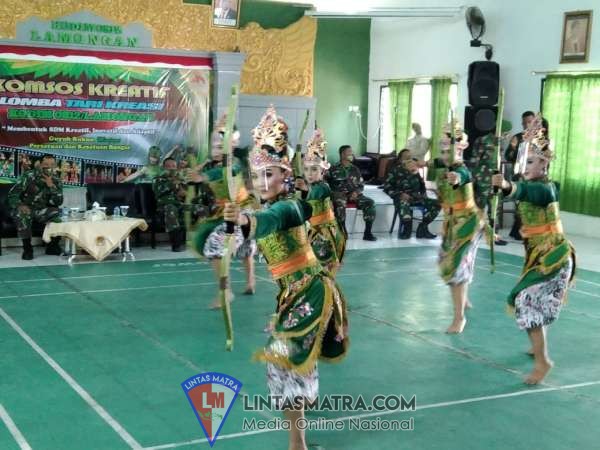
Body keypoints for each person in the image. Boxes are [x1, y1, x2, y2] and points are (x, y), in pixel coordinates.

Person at [223, 106, 348, 450]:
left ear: (286, 174)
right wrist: (234, 223)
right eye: (258, 175)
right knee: (286, 365)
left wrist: (245, 221)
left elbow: (269, 221)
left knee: (283, 358)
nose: (264, 182)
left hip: (311, 291)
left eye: (271, 174)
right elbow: (247, 233)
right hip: (290, 295)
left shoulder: (290, 206)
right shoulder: (264, 206)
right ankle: (300, 432)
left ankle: (298, 442)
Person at [491, 114, 575, 384]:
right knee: (533, 304)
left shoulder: (545, 189)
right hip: (541, 256)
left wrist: (506, 185)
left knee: (525, 300)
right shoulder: (531, 183)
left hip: (554, 257)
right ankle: (537, 347)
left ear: (544, 163)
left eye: (530, 161)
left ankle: (543, 361)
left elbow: (524, 191)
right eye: (522, 160)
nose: (523, 166)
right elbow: (519, 188)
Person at [188, 115, 258, 308]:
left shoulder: (233, 164)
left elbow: (222, 173)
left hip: (241, 212)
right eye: (214, 145)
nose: (216, 149)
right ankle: (251, 282)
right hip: (232, 211)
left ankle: (225, 291)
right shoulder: (215, 164)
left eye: (220, 145)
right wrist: (196, 173)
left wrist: (201, 177)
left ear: (231, 145)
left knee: (215, 248)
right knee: (245, 248)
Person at [434, 123, 486, 334]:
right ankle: (463, 299)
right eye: (442, 149)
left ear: (460, 149)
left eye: (449, 149)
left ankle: (459, 318)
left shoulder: (461, 171)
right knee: (447, 262)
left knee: (456, 268)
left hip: (468, 225)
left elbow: (460, 178)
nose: (445, 153)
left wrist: (456, 179)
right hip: (453, 222)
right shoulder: (445, 169)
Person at [294, 129, 346, 275]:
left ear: (323, 172)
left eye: (314, 169)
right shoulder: (305, 186)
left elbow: (313, 193)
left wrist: (303, 189)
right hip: (309, 230)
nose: (309, 173)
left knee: (326, 265)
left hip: (324, 232)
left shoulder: (323, 187)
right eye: (306, 169)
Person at [8, 154, 63, 260]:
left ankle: (52, 246)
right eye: (46, 164)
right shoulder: (29, 176)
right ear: (40, 164)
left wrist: (51, 186)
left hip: (42, 210)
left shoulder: (56, 179)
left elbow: (58, 202)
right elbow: (13, 194)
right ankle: (27, 249)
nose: (49, 167)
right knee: (23, 214)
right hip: (26, 208)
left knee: (57, 215)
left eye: (52, 164)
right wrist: (20, 205)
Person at [384, 149, 440, 239]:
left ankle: (423, 227)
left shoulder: (414, 170)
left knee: (438, 204)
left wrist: (424, 194)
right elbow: (387, 187)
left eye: (410, 157)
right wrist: (400, 194)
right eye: (406, 158)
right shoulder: (395, 171)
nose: (409, 160)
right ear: (400, 159)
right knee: (404, 204)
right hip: (401, 198)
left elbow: (422, 184)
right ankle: (407, 230)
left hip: (416, 197)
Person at [325, 145, 377, 241]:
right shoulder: (333, 169)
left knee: (370, 203)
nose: (351, 154)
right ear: (342, 154)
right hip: (339, 195)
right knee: (340, 203)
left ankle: (367, 233)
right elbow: (327, 185)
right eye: (349, 152)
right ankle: (342, 231)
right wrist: (334, 193)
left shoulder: (355, 169)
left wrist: (356, 192)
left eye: (351, 152)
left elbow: (361, 184)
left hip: (354, 194)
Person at [469, 131, 508, 246]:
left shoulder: (500, 141)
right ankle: (470, 236)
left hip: (495, 178)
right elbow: (474, 160)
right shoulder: (482, 140)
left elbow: (499, 159)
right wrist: (473, 180)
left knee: (495, 208)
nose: (506, 134)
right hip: (482, 178)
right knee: (478, 208)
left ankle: (494, 236)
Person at [504, 111, 536, 240]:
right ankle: (518, 232)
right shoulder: (517, 137)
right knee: (521, 205)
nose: (527, 125)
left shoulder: (540, 139)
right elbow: (508, 156)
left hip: (535, 176)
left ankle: (529, 231)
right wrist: (512, 147)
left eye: (529, 122)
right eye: (524, 122)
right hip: (520, 176)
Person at [153, 157, 190, 252]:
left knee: (200, 208)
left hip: (179, 205)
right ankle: (176, 245)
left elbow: (186, 192)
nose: (171, 168)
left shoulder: (180, 178)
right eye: (168, 166)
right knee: (171, 209)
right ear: (164, 167)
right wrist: (172, 183)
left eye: (173, 166)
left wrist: (183, 191)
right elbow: (159, 192)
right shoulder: (158, 179)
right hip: (165, 206)